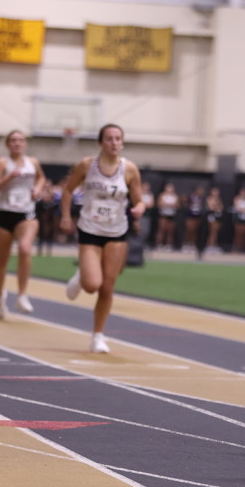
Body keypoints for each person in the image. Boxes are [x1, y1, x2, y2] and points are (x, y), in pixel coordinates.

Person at [60, 123, 146, 353]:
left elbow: (139, 200)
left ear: (122, 142)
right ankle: (82, 276)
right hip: (90, 229)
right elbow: (67, 190)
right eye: (109, 139)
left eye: (118, 139)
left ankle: (98, 336)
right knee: (92, 285)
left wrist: (139, 209)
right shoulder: (87, 165)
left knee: (107, 287)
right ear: (101, 142)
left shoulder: (130, 169)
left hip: (116, 231)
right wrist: (66, 216)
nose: (114, 143)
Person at [0, 130, 46, 319]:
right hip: (4, 214)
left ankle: (22, 295)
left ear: (25, 144)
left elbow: (41, 177)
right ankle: (0, 296)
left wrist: (37, 189)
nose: (17, 143)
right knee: (2, 259)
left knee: (25, 249)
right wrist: (8, 178)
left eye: (20, 140)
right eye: (13, 140)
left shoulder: (32, 162)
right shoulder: (2, 164)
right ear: (7, 144)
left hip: (26, 214)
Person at [231, 187, 245, 253]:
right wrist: (244, 209)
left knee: (244, 234)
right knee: (238, 233)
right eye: (243, 192)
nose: (244, 194)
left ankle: (242, 248)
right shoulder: (237, 199)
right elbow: (237, 208)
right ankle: (235, 247)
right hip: (238, 219)